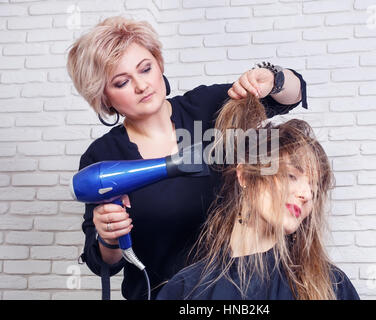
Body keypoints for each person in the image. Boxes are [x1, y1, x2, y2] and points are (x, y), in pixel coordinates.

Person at [66, 16, 307, 300]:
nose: (142, 86)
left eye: (146, 69)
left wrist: (273, 79)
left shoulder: (209, 107)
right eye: (122, 82)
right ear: (104, 98)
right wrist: (109, 238)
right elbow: (102, 262)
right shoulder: (102, 157)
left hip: (241, 292)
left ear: (159, 64)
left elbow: (292, 94)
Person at [157, 95, 359, 300]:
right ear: (245, 175)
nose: (306, 195)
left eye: (315, 190)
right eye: (291, 176)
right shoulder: (185, 289)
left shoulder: (332, 286)